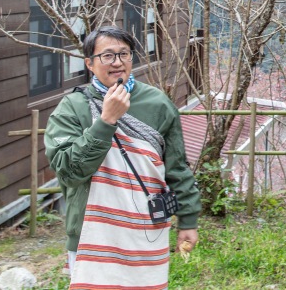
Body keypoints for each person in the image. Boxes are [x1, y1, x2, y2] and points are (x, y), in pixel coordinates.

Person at [44, 26, 200, 289]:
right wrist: (106, 121)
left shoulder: (157, 104)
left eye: (124, 54)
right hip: (90, 233)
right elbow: (68, 171)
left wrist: (189, 220)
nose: (117, 62)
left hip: (146, 231)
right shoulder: (74, 107)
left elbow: (177, 168)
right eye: (107, 56)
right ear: (89, 64)